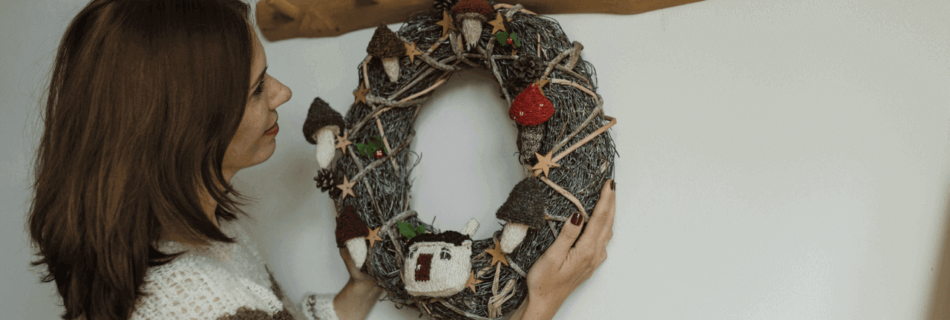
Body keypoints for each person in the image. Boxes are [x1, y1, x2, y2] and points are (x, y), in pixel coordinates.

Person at [27, 0, 616, 319]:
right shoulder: (195, 303)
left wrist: (354, 294)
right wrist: (539, 308)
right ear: (188, 131)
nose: (283, 94)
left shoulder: (176, 243)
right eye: (258, 88)